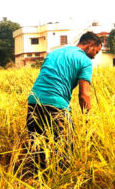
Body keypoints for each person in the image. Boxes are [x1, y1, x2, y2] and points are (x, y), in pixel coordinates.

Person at [26, 31, 102, 169]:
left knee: (38, 151)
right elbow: (84, 95)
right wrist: (87, 119)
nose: (94, 56)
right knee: (65, 152)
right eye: (96, 52)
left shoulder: (54, 53)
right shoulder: (85, 61)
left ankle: (37, 184)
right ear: (90, 45)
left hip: (33, 102)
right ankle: (60, 185)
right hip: (57, 106)